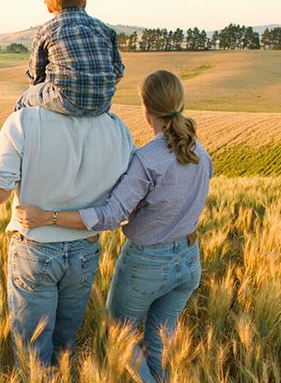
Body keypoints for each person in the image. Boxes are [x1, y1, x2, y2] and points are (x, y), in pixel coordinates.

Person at [15, 70, 212, 382]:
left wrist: (47, 217)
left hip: (148, 263)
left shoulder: (147, 160)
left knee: (122, 332)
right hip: (189, 260)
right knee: (161, 341)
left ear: (146, 107)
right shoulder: (200, 152)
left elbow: (109, 215)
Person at [0, 104, 134, 366]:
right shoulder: (117, 128)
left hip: (36, 250)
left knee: (33, 356)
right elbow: (122, 203)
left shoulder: (24, 121)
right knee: (64, 347)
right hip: (85, 250)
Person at [14, 0, 125, 116]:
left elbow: (35, 77)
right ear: (85, 1)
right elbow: (118, 72)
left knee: (22, 101)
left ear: (49, 7)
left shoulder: (47, 30)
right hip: (103, 104)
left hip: (64, 99)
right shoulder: (104, 30)